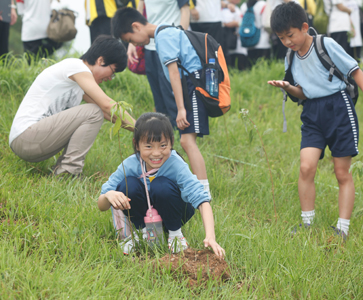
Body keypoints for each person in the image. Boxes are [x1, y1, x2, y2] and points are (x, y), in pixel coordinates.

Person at [267, 2, 362, 237]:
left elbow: (355, 71)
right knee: (306, 166)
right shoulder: (290, 57)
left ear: (304, 27)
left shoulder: (325, 44)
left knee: (341, 172)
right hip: (312, 112)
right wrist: (288, 87)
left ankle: (342, 228)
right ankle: (307, 223)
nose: (287, 42)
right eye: (281, 38)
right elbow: (303, 93)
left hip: (339, 108)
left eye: (290, 35)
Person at [112, 7, 213, 199]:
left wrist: (181, 109)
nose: (134, 43)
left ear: (136, 26)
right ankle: (198, 189)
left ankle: (202, 193)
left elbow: (174, 73)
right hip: (194, 84)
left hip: (193, 86)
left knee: (187, 140)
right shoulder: (167, 30)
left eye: (131, 39)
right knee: (186, 140)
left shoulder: (163, 38)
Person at [98, 112, 225, 257]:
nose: (157, 153)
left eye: (163, 145)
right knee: (128, 185)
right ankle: (142, 232)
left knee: (161, 185)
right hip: (143, 214)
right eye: (149, 146)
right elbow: (101, 205)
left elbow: (202, 200)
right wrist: (108, 195)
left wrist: (210, 237)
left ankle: (175, 235)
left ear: (171, 142)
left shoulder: (176, 164)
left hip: (174, 211)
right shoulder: (130, 164)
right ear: (136, 145)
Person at [9, 35, 135, 177]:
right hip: (26, 136)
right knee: (93, 112)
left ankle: (62, 171)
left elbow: (109, 113)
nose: (109, 79)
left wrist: (140, 132)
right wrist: (142, 129)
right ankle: (68, 172)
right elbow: (106, 105)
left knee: (96, 111)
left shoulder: (80, 83)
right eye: (112, 72)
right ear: (101, 60)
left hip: (32, 141)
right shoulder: (75, 66)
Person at [124, 0, 190, 129]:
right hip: (149, 46)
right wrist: (132, 42)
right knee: (157, 95)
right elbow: (139, 11)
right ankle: (164, 131)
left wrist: (180, 37)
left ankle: (179, 129)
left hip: (169, 45)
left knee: (170, 92)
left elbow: (185, 10)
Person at [240, 0, 271, 65]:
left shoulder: (243, 6)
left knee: (251, 65)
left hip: (248, 41)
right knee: (263, 65)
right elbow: (265, 22)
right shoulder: (263, 4)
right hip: (263, 41)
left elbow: (241, 23)